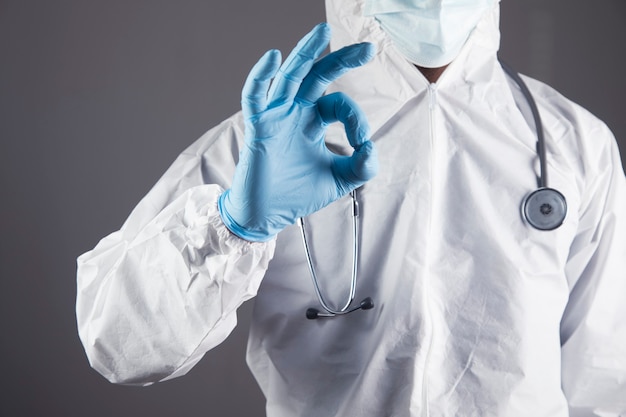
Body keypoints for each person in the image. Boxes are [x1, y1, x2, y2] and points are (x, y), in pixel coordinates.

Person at [76, 0, 626, 416]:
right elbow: (118, 344)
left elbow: (604, 384)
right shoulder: (269, 143)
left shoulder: (573, 144)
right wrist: (234, 223)